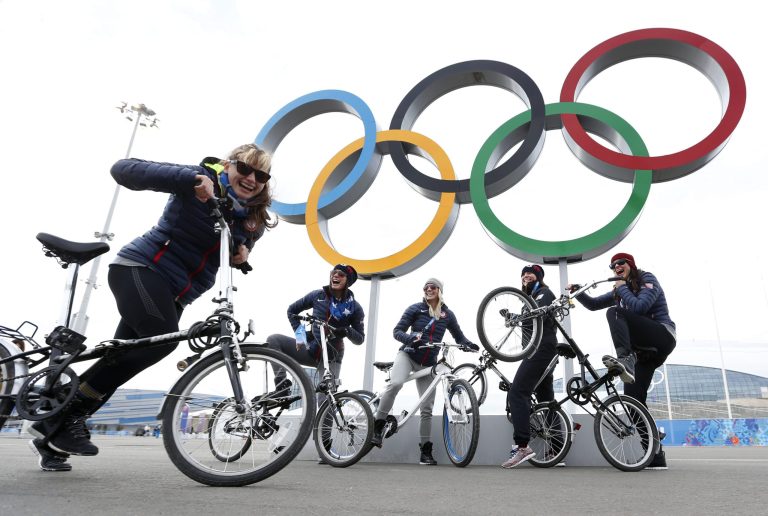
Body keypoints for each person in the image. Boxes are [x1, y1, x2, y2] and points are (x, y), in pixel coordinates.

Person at [29, 143, 276, 471]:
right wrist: (190, 180)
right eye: (244, 168)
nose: (251, 178)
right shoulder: (199, 179)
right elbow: (123, 169)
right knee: (162, 340)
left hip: (176, 295)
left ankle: (53, 432)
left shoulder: (253, 219)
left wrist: (241, 253)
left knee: (122, 360)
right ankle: (64, 413)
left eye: (260, 175)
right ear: (229, 165)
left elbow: (237, 247)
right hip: (141, 269)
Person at [570, 252, 676, 469]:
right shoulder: (620, 291)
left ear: (631, 265)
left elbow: (639, 307)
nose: (616, 267)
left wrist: (621, 288)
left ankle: (625, 358)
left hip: (662, 336)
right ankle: (654, 454)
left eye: (620, 263)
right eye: (612, 265)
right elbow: (592, 304)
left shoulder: (646, 279)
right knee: (633, 401)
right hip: (645, 353)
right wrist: (578, 292)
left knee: (614, 313)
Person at [369, 278, 479, 465]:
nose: (429, 289)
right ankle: (378, 426)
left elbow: (459, 337)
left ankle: (425, 451)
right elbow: (397, 331)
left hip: (429, 364)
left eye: (433, 287)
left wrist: (468, 345)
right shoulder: (415, 309)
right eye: (426, 287)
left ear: (440, 290)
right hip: (408, 356)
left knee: (427, 408)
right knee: (395, 384)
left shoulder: (447, 315)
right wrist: (412, 339)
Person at [265, 264, 365, 400]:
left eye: (340, 274)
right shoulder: (317, 295)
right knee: (273, 340)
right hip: (311, 350)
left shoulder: (355, 308)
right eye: (333, 273)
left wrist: (347, 331)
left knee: (325, 402)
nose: (335, 276)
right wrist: (300, 336)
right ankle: (282, 387)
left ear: (348, 281)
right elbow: (292, 311)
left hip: (332, 357)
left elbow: (359, 339)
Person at [501, 265, 559, 469]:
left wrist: (519, 317)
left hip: (540, 350)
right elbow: (530, 318)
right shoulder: (528, 301)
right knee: (546, 399)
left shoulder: (543, 292)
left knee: (517, 393)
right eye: (523, 273)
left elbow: (539, 315)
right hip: (541, 351)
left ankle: (522, 446)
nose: (526, 275)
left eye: (531, 273)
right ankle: (556, 448)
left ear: (539, 277)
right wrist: (513, 318)